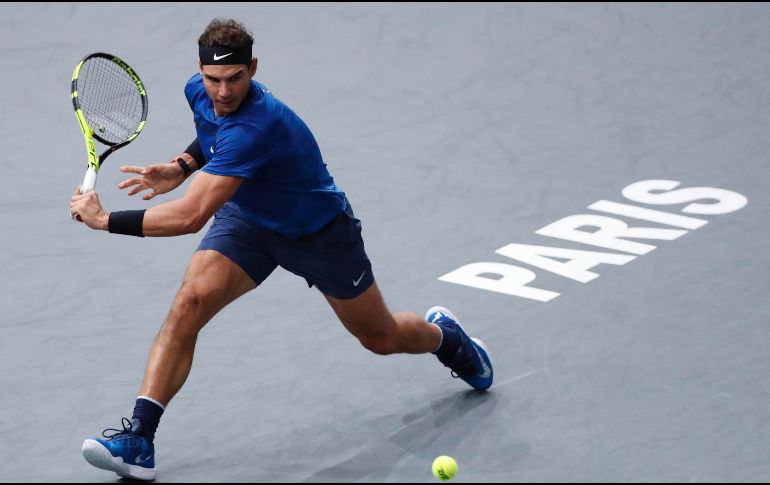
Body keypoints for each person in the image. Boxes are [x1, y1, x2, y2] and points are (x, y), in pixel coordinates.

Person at [70, 18, 493, 482]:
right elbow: (213, 133)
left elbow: (190, 217)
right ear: (200, 71)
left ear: (253, 68)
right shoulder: (199, 90)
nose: (223, 91)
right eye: (214, 79)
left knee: (381, 338)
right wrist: (183, 165)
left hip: (319, 234)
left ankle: (447, 339)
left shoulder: (259, 125)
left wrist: (104, 220)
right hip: (248, 222)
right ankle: (139, 439)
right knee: (189, 303)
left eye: (235, 78)